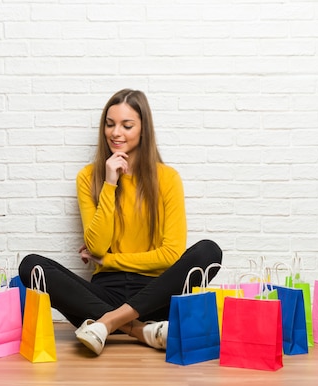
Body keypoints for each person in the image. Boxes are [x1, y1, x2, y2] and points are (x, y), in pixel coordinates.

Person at [18, 89, 222, 356]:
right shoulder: (89, 177)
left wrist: (110, 261)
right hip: (102, 297)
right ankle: (139, 330)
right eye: (110, 124)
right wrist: (110, 182)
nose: (116, 133)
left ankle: (108, 323)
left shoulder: (168, 178)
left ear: (143, 129)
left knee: (209, 251)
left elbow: (171, 254)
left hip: (154, 297)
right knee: (31, 266)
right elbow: (99, 246)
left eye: (127, 125)